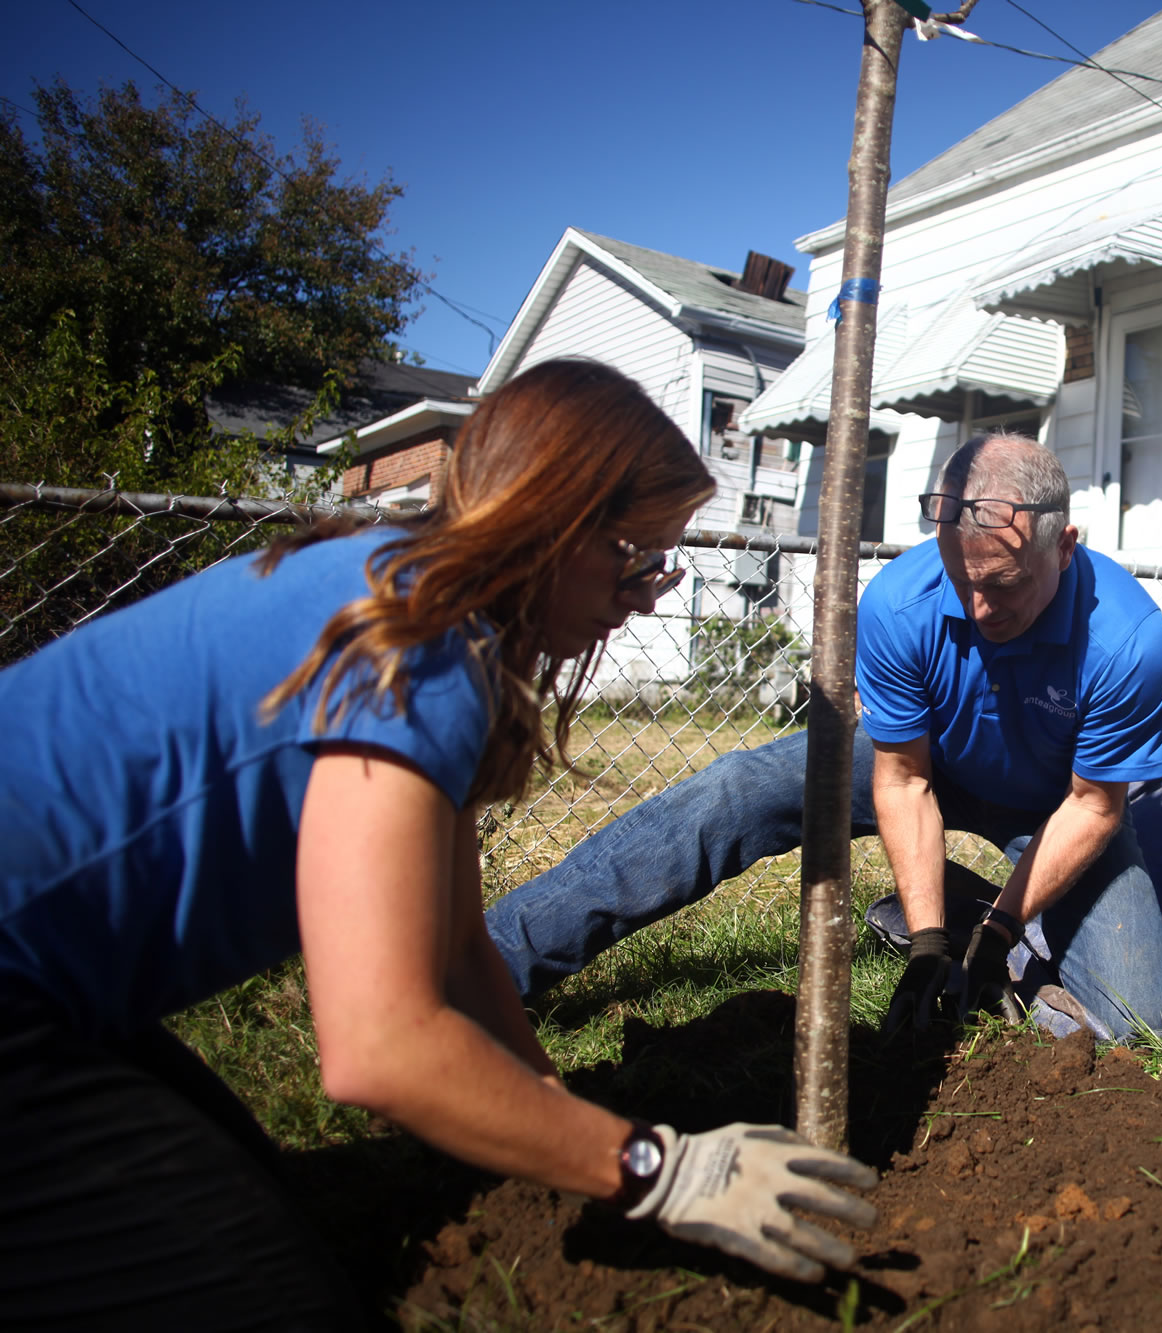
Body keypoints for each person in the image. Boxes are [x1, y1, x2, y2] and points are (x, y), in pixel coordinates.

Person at [0, 360, 878, 1326]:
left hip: (55, 984)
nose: (650, 594)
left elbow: (461, 947)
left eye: (664, 563)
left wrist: (554, 1120)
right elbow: (378, 1050)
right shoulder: (421, 643)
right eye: (635, 555)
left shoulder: (412, 590)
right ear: (553, 513)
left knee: (257, 1201)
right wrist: (657, 1168)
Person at [485, 431, 1162, 1041]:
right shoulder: (900, 603)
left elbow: (1095, 805)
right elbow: (903, 779)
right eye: (960, 579)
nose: (977, 608)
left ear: (1063, 548)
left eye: (1002, 584)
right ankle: (493, 958)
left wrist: (999, 937)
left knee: (1137, 1019)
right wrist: (930, 947)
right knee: (737, 790)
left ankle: (987, 912)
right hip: (925, 759)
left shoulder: (1127, 639)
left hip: (1056, 804)